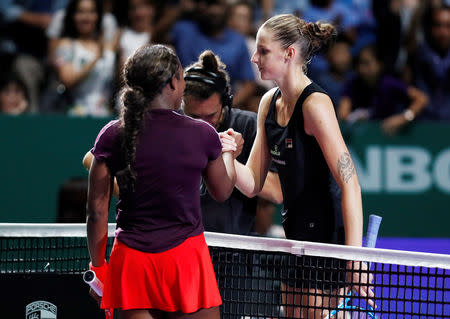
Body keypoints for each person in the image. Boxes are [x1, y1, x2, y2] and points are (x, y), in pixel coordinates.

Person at [227, 14, 373, 318]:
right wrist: (224, 155)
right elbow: (253, 182)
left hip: (326, 237)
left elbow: (350, 183)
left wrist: (355, 259)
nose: (254, 58)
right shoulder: (268, 102)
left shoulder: (315, 105)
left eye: (263, 51)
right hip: (295, 233)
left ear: (289, 53)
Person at [86, 44, 237, 319]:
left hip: (131, 263)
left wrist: (98, 267)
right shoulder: (204, 134)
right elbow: (223, 191)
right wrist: (228, 152)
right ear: (172, 83)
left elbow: (96, 210)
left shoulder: (110, 134)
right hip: (186, 261)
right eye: (181, 78)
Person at [183, 49, 282, 235]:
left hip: (236, 251)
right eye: (194, 117)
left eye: (210, 116)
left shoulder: (249, 125)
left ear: (226, 102)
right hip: (185, 244)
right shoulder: (174, 127)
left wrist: (228, 157)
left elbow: (276, 192)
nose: (203, 125)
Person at [45, 0, 118, 116]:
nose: (86, 17)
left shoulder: (108, 46)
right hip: (76, 114)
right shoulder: (66, 45)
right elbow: (67, 80)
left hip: (105, 115)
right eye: (80, 12)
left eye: (91, 12)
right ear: (73, 16)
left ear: (98, 16)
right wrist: (95, 59)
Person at [338, 44, 428, 135]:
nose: (361, 69)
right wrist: (354, 117)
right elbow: (343, 113)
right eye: (359, 64)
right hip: (363, 137)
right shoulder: (353, 84)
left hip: (390, 137)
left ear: (379, 64)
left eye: (366, 63)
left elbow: (421, 98)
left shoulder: (389, 83)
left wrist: (404, 117)